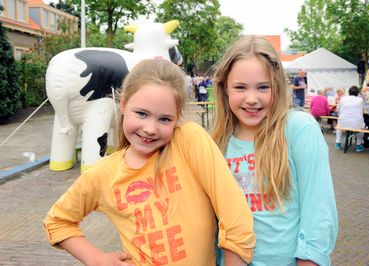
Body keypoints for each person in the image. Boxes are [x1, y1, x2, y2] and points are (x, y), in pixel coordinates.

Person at [43, 59, 255, 265]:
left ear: (177, 117)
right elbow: (57, 221)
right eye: (142, 113)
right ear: (124, 104)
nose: (151, 128)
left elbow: (234, 213)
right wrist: (97, 259)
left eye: (165, 119)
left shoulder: (188, 141)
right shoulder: (102, 174)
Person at [211, 36, 338, 266]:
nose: (252, 99)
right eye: (240, 87)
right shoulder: (215, 143)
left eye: (263, 87)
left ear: (277, 86)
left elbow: (319, 212)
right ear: (225, 89)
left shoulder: (299, 129)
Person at [335, 86, 365, 151]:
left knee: (339, 126)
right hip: (356, 123)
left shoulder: (343, 99)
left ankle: (338, 143)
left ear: (349, 92)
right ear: (358, 93)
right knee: (362, 128)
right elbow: (363, 110)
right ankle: (358, 145)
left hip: (343, 122)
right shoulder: (360, 100)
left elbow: (338, 109)